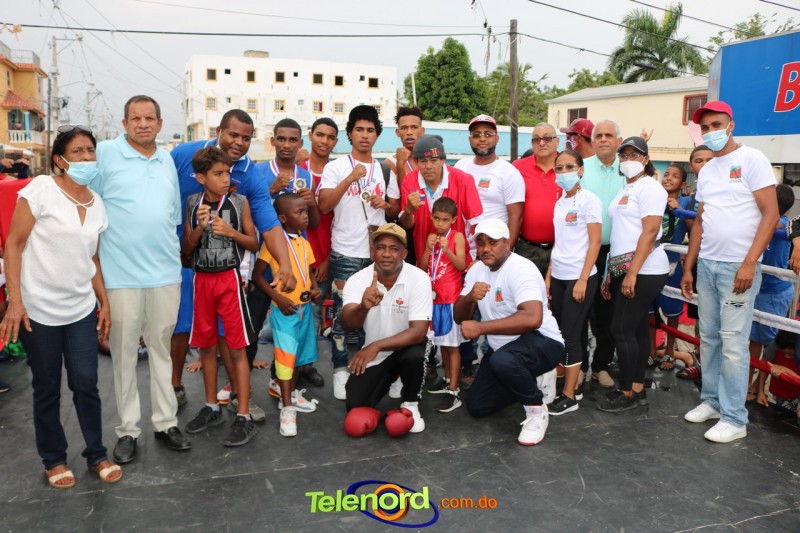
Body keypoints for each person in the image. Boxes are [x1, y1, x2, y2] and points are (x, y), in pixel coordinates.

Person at [0, 124, 122, 488]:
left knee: (86, 383)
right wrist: (15, 302)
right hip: (38, 310)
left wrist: (104, 301)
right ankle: (53, 459)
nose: (86, 157)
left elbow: (93, 258)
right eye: (77, 151)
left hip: (80, 309)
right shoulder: (41, 189)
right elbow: (13, 244)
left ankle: (96, 454)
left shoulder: (97, 204)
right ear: (60, 159)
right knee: (47, 386)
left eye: (90, 150)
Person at [169, 109, 296, 420]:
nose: (239, 142)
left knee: (229, 336)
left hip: (225, 271)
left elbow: (267, 225)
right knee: (181, 327)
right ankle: (175, 386)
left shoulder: (250, 177)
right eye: (233, 135)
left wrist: (285, 264)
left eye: (246, 138)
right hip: (180, 258)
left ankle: (240, 399)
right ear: (219, 131)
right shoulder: (184, 155)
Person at [94, 95, 191, 463]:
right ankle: (128, 431)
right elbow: (90, 206)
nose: (143, 124)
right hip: (120, 276)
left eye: (150, 118)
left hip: (165, 274)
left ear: (160, 123)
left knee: (161, 350)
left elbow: (172, 217)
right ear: (124, 123)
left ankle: (166, 423)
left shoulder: (167, 159)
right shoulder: (105, 153)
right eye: (135, 118)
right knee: (123, 355)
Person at [681, 101, 779, 443]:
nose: (711, 132)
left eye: (716, 125)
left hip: (738, 267)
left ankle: (736, 418)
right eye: (705, 127)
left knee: (734, 343)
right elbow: (700, 222)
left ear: (731, 125)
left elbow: (771, 214)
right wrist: (689, 266)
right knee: (709, 338)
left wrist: (749, 262)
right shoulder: (707, 170)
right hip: (707, 265)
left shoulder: (752, 159)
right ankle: (712, 402)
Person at [456, 219, 565, 446]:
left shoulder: (521, 268)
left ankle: (537, 411)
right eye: (481, 243)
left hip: (543, 341)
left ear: (507, 243)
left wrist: (481, 328)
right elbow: (459, 317)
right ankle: (531, 380)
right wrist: (469, 298)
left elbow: (532, 318)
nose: (486, 248)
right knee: (478, 406)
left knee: (504, 360)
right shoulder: (476, 270)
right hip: (504, 349)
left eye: (493, 242)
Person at [318, 105, 401, 399]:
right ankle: (340, 369)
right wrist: (350, 179)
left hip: (377, 253)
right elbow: (324, 205)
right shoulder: (336, 167)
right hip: (345, 252)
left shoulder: (384, 169)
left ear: (377, 135)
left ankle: (377, 366)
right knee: (344, 314)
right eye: (359, 130)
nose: (365, 136)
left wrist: (385, 205)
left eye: (370, 131)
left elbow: (395, 210)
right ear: (350, 133)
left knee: (380, 313)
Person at [181, 147, 260, 446]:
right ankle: (212, 406)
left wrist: (230, 232)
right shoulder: (193, 203)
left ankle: (244, 415)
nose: (225, 178)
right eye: (218, 174)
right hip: (202, 280)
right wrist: (200, 229)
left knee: (237, 348)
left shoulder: (239, 202)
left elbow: (253, 243)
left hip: (229, 279)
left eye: (227, 172)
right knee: (206, 346)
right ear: (201, 177)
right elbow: (187, 249)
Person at [596, 136, 669, 413]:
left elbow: (650, 232)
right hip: (623, 267)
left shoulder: (650, 188)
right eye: (624, 155)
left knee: (621, 329)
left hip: (644, 269)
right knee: (636, 328)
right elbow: (621, 234)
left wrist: (632, 273)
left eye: (634, 155)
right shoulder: (627, 187)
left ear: (646, 159)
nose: (628, 160)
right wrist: (611, 273)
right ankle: (637, 387)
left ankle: (625, 391)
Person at [341, 223, 431, 432]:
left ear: (404, 254)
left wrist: (375, 346)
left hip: (407, 346)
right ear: (372, 252)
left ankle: (410, 402)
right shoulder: (358, 280)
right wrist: (363, 307)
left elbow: (418, 332)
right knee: (355, 405)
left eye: (394, 249)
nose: (387, 254)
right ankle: (393, 376)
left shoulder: (419, 278)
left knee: (414, 354)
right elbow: (348, 324)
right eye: (381, 247)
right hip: (378, 354)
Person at [254, 118, 319, 400]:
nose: (287, 145)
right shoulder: (259, 172)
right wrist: (270, 191)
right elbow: (245, 211)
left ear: (301, 143)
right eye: (281, 139)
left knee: (296, 329)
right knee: (257, 324)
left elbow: (312, 222)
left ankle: (288, 376)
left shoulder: (306, 175)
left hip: (296, 257)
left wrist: (311, 203)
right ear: (273, 141)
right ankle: (241, 384)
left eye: (293, 140)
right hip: (264, 256)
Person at [252, 193, 321, 438]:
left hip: (305, 309)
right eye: (299, 212)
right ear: (282, 218)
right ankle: (287, 409)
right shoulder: (274, 244)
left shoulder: (304, 241)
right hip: (285, 310)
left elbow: (309, 272)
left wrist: (314, 288)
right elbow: (257, 276)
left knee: (299, 356)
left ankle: (288, 394)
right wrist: (278, 298)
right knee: (285, 358)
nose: (305, 216)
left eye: (305, 211)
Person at [545, 149, 602, 415]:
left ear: (580, 170)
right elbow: (559, 242)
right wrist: (549, 275)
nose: (564, 172)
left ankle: (569, 396)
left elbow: (595, 242)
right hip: (559, 276)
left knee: (570, 335)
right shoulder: (559, 202)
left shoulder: (589, 200)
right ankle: (571, 386)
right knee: (564, 332)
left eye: (569, 167)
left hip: (580, 277)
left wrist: (582, 279)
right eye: (559, 168)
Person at [580, 120, 625, 390]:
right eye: (599, 135)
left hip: (616, 253)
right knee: (580, 310)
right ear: (593, 140)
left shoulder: (629, 168)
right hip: (584, 251)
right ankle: (578, 366)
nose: (604, 139)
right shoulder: (581, 168)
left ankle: (601, 366)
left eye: (609, 135)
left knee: (608, 313)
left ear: (619, 141)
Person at [299, 117, 340, 388]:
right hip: (297, 256)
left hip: (325, 257)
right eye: (320, 135)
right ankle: (286, 368)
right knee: (293, 315)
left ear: (336, 142)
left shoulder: (337, 173)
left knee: (315, 315)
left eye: (330, 137)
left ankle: (307, 366)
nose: (324, 141)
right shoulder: (298, 170)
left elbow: (342, 221)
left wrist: (327, 258)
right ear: (311, 135)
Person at [746, 185, 795, 399]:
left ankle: (757, 387)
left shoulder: (783, 223)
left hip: (774, 292)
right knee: (754, 340)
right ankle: (750, 384)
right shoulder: (764, 220)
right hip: (758, 288)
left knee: (768, 343)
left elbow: (779, 223)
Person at [420, 197, 467, 412]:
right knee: (443, 345)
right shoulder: (431, 237)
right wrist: (428, 248)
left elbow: (461, 265)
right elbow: (422, 267)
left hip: (450, 299)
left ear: (453, 220)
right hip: (434, 298)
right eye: (437, 218)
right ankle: (448, 379)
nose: (440, 224)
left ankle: (454, 391)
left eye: (445, 220)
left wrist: (447, 250)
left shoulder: (457, 237)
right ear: (432, 217)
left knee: (452, 345)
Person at [454, 114, 524, 256]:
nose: (482, 139)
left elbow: (516, 217)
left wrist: (505, 251)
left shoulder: (509, 172)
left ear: (496, 138)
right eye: (476, 134)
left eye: (488, 134)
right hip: (461, 249)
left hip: (493, 251)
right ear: (470, 139)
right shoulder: (460, 166)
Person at [649, 164, 694, 371]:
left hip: (673, 265)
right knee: (649, 310)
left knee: (673, 312)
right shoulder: (654, 199)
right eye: (666, 174)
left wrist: (679, 210)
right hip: (650, 262)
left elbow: (694, 229)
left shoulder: (685, 202)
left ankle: (669, 351)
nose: (668, 178)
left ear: (683, 184)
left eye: (675, 176)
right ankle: (651, 351)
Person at [512, 122, 561, 277]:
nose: (541, 143)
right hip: (526, 248)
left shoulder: (567, 166)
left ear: (557, 141)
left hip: (561, 249)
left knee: (555, 291)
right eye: (536, 139)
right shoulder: (517, 167)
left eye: (547, 138)